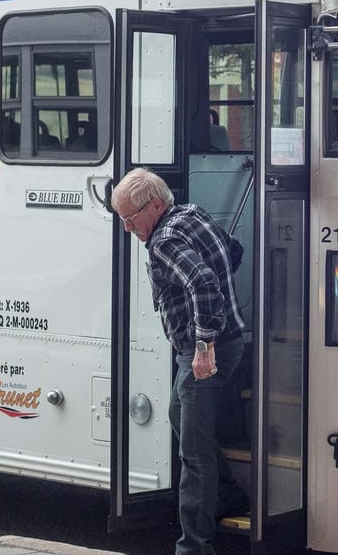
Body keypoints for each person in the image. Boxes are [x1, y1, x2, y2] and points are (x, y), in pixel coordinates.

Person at [111, 168, 248, 555]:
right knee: (177, 413)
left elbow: (202, 283)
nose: (126, 228)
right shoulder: (192, 214)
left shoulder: (164, 240)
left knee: (194, 451)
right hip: (231, 338)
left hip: (205, 348)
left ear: (154, 205)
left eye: (130, 218)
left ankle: (194, 546)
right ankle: (228, 494)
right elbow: (232, 252)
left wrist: (204, 345)